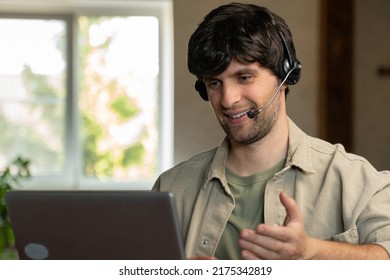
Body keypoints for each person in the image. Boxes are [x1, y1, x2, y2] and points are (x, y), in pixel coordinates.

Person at [152, 2, 390, 259]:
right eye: (214, 83)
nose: (228, 99)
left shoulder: (354, 180)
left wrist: (311, 253)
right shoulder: (170, 188)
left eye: (244, 77)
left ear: (286, 76)